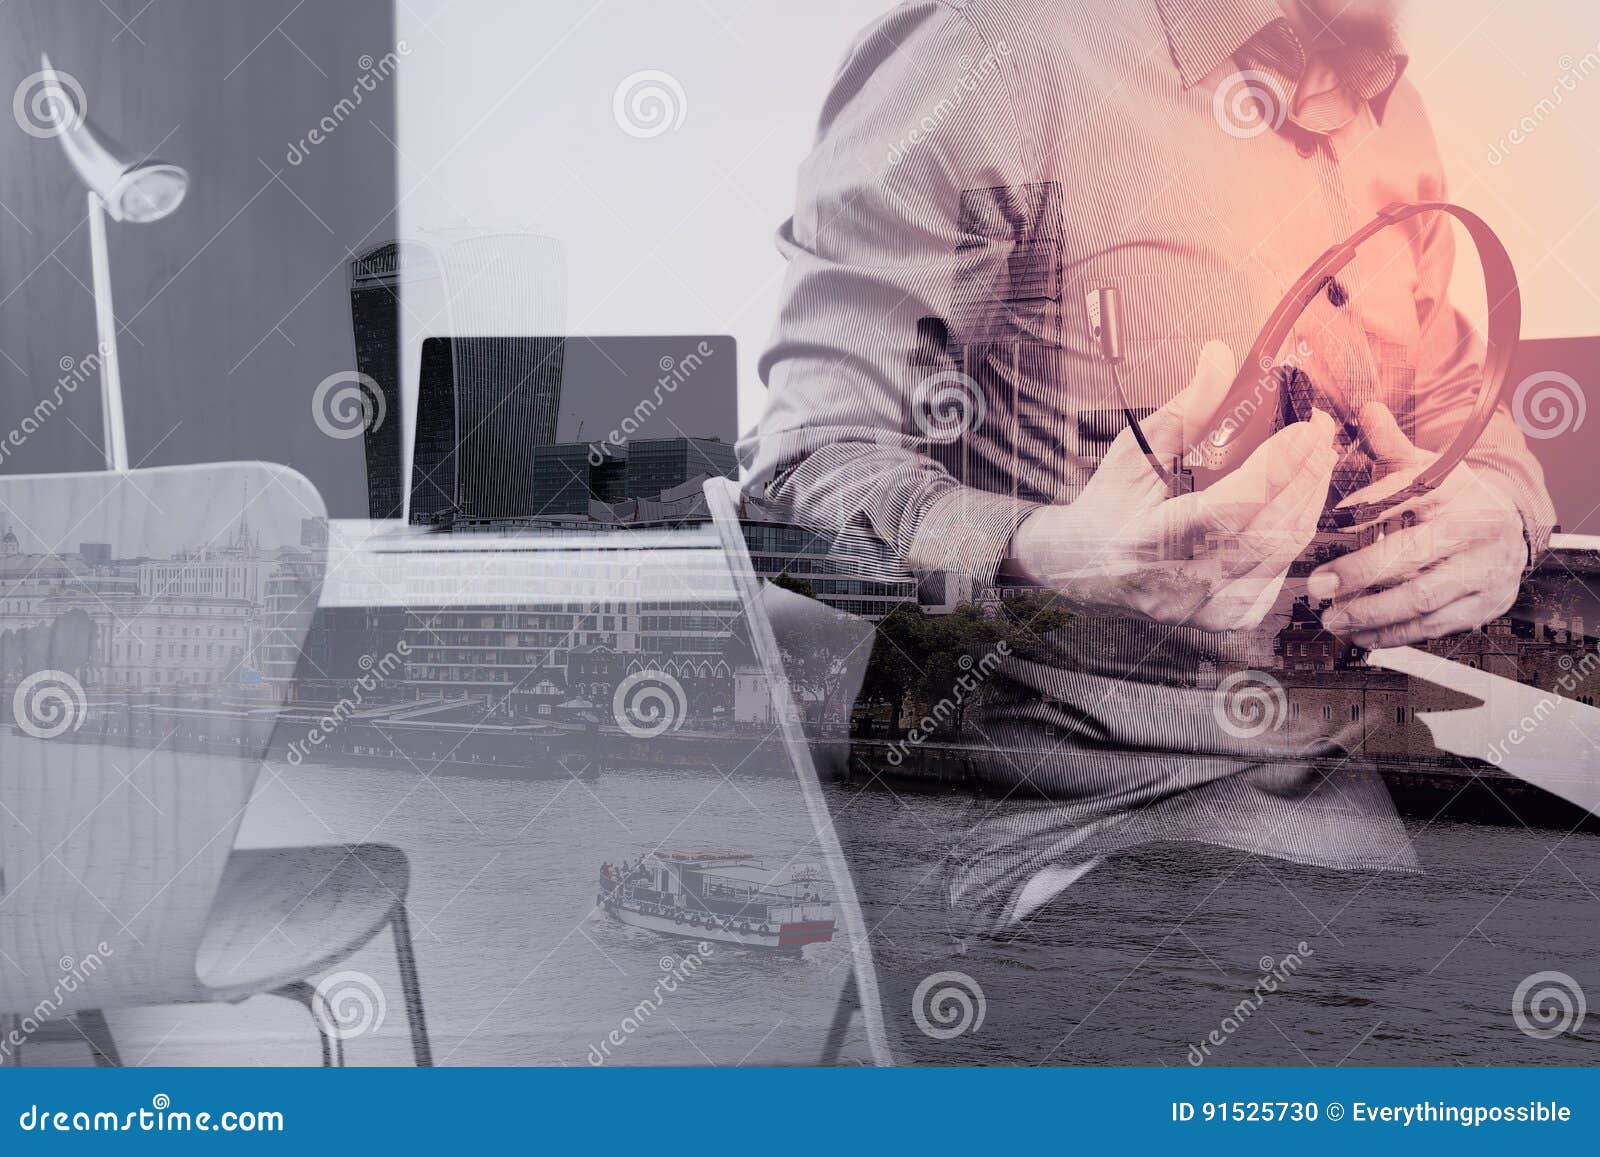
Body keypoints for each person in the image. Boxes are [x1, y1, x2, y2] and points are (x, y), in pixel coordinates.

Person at [744, 0, 1565, 1063]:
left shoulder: (1388, 108)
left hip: (1352, 832)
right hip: (1057, 851)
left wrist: (1502, 511)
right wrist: (1050, 555)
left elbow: (1461, 398)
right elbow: (800, 476)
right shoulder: (987, 51)